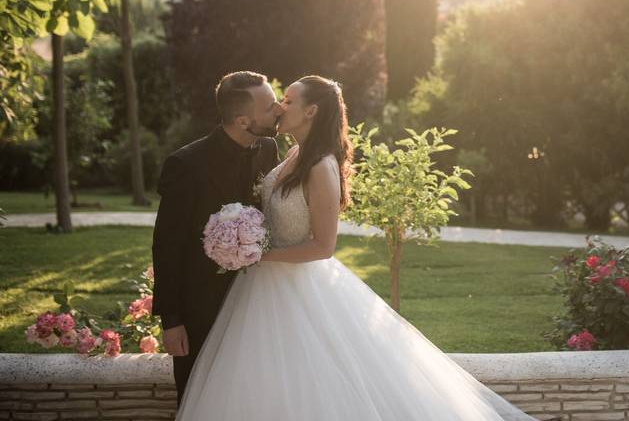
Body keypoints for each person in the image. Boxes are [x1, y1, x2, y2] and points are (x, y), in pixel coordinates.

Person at [175, 75, 543, 420]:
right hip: (260, 287)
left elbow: (323, 246)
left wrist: (257, 254)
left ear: (311, 111)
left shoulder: (320, 165)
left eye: (287, 100)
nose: (280, 107)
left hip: (296, 285)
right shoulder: (289, 154)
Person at [151, 71, 281, 405]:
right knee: (199, 395)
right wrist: (172, 320)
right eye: (269, 106)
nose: (278, 109)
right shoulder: (185, 164)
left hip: (257, 299)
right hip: (200, 306)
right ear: (242, 120)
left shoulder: (269, 148)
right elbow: (167, 245)